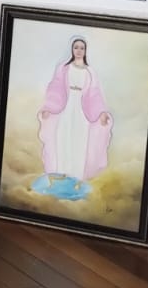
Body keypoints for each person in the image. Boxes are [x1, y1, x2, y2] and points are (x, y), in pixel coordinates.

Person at [34, 36, 112, 200]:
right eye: (76, 47)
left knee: (79, 141)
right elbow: (55, 88)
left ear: (85, 51)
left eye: (82, 48)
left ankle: (76, 181)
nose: (79, 50)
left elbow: (95, 94)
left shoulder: (90, 72)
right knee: (63, 140)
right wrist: (49, 107)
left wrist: (101, 112)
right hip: (65, 109)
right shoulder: (64, 68)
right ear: (72, 49)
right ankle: (61, 178)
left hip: (82, 112)